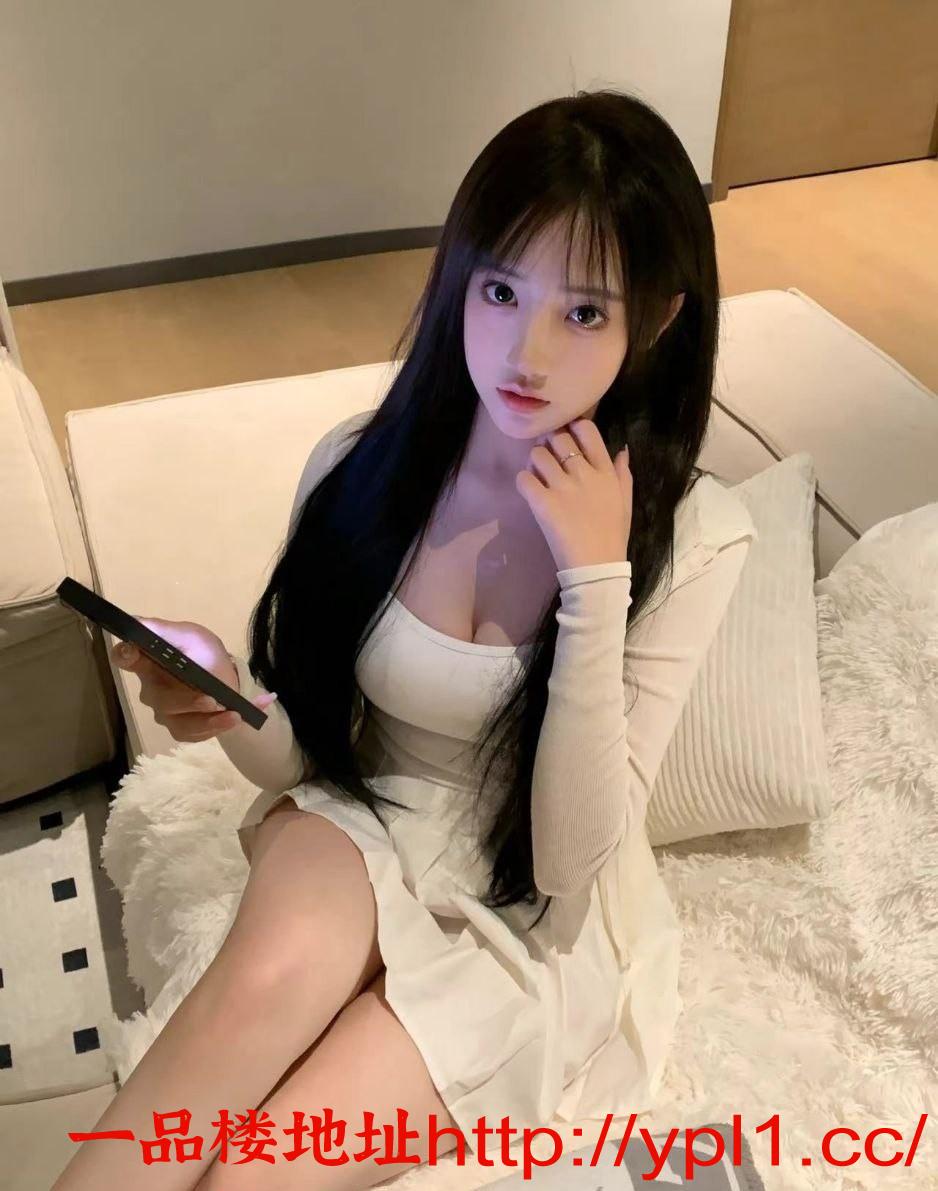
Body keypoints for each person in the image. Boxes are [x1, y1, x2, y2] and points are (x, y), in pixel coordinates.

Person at [57, 88, 757, 1191]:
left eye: (583, 313)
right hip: (362, 821)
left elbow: (568, 868)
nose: (525, 351)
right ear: (457, 278)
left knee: (257, 1177)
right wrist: (229, 696)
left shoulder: (698, 535)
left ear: (658, 322)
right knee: (226, 1030)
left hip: (526, 919)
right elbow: (310, 756)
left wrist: (593, 581)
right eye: (499, 290)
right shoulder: (361, 462)